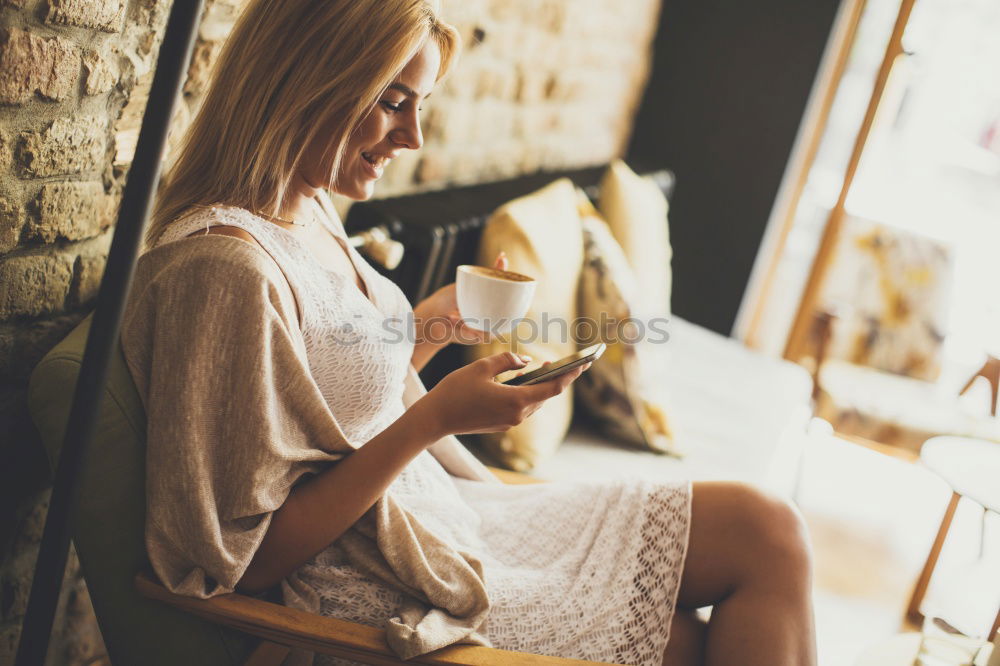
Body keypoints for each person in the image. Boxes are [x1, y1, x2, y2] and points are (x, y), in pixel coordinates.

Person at [123, 1, 817, 664]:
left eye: (420, 105)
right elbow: (244, 562)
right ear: (307, 78)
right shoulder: (220, 270)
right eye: (394, 101)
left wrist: (432, 326)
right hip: (372, 580)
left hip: (443, 515)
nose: (413, 136)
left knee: (768, 526)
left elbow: (331, 415)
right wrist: (435, 418)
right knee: (689, 645)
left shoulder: (306, 209)